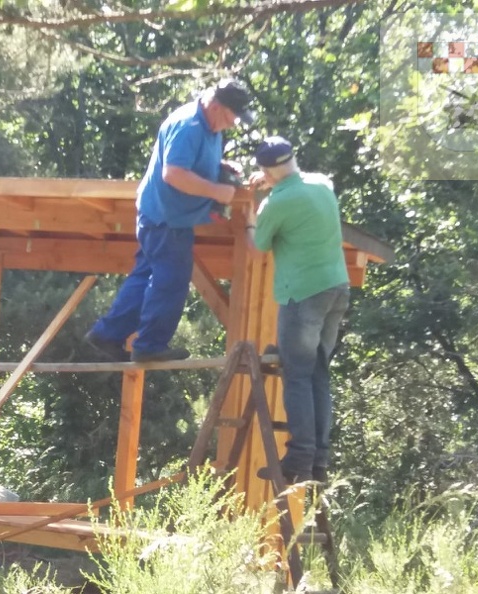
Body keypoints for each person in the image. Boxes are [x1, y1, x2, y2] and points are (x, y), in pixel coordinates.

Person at [86, 78, 254, 362]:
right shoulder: (188, 126)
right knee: (171, 279)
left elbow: (189, 163)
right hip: (167, 218)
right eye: (231, 116)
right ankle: (150, 346)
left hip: (163, 216)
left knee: (146, 276)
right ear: (214, 106)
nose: (233, 123)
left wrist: (219, 168)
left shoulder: (209, 124)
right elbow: (174, 173)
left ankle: (108, 334)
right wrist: (217, 191)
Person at [247, 137, 350, 484]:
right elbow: (305, 183)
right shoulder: (321, 184)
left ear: (266, 170)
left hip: (302, 295)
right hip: (337, 289)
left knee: (298, 375)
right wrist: (274, 181)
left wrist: (253, 205)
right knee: (319, 373)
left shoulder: (276, 202)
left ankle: (299, 460)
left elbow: (258, 244)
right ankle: (318, 462)